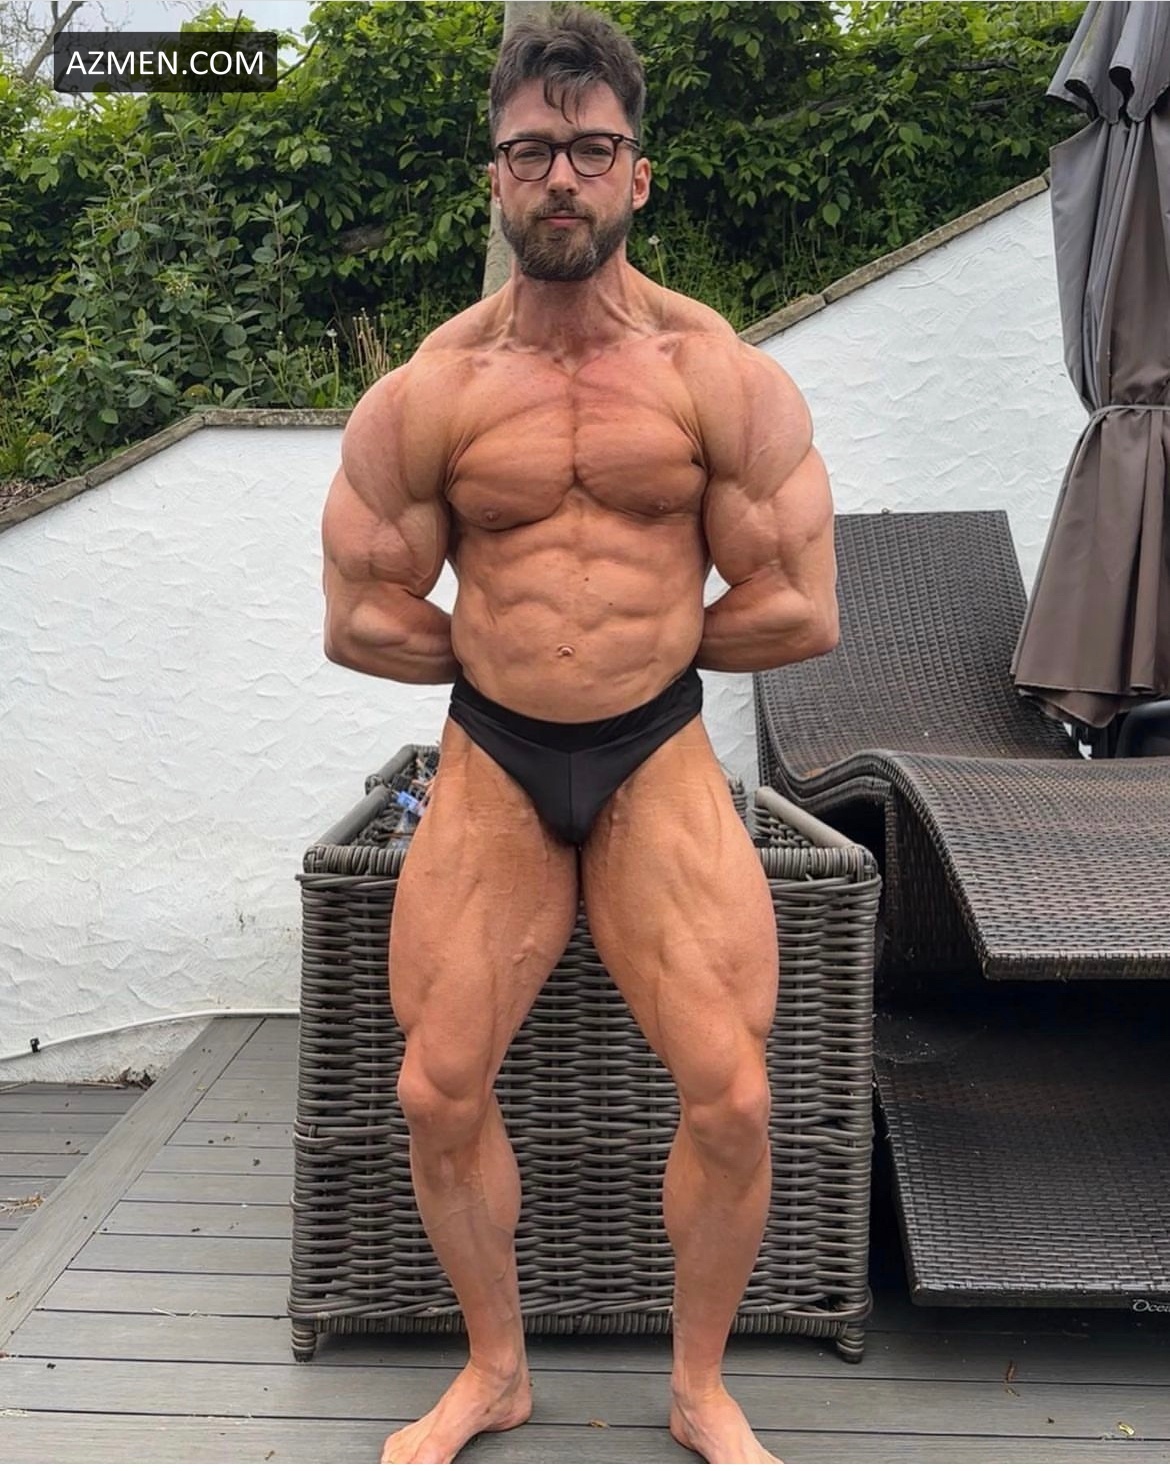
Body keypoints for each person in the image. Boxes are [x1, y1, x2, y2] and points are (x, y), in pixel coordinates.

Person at [321, 7, 837, 1463]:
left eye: (592, 150)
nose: (562, 176)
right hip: (493, 754)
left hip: (653, 752)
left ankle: (697, 1387)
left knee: (731, 1094)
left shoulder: (712, 374)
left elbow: (798, 606)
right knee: (436, 1088)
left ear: (637, 174)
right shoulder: (431, 391)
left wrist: (646, 652)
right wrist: (508, 660)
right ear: (494, 175)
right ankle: (496, 1371)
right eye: (533, 150)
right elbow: (361, 616)